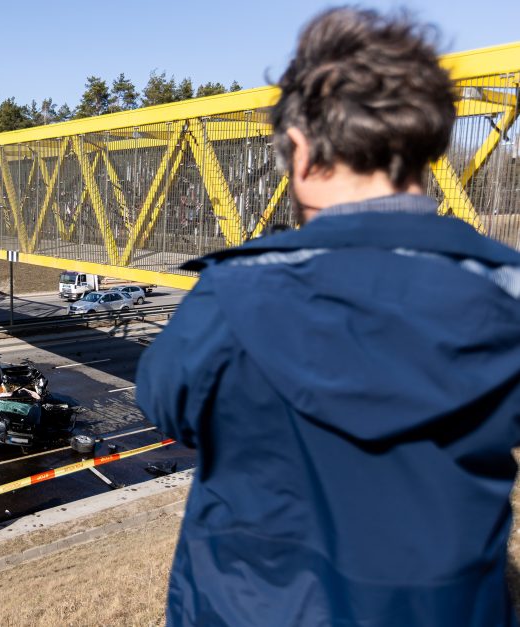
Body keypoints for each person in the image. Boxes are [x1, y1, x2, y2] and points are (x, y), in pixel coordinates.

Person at [136, 9, 520, 627]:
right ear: (428, 144)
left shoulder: (227, 300)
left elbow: (166, 404)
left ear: (302, 149)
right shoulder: (506, 290)